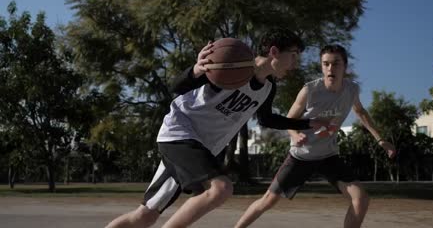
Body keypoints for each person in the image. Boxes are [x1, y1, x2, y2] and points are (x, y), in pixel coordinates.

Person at [105, 28, 326, 228]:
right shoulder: (230, 64)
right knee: (220, 188)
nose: (295, 64)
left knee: (144, 216)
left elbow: (267, 120)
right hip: (179, 133)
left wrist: (307, 124)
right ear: (275, 52)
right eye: (294, 55)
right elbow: (177, 87)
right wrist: (196, 70)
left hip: (201, 148)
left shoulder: (268, 88)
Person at [234, 44, 396, 228]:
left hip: (328, 156)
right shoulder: (310, 90)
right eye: (325, 64)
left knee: (361, 199)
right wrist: (295, 135)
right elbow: (288, 119)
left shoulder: (351, 90)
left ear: (345, 66)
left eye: (336, 64)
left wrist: (381, 140)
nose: (330, 68)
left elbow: (360, 112)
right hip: (301, 155)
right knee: (268, 200)